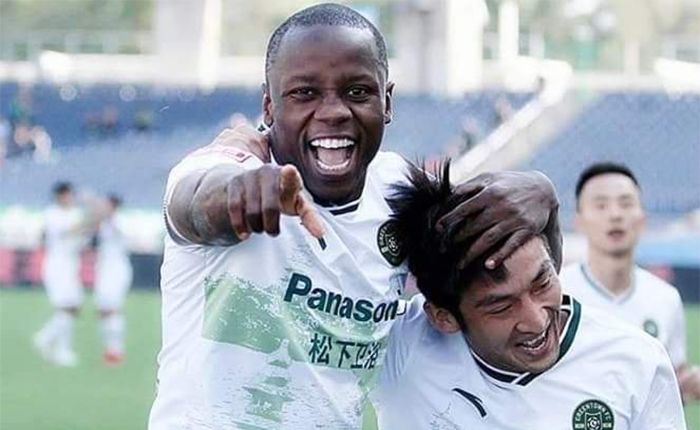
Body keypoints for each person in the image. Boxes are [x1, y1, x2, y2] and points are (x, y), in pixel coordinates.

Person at [148, 4, 561, 430]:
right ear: (269, 107)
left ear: (387, 102)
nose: (333, 112)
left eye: (357, 92)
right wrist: (240, 193)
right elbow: (191, 204)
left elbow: (506, 262)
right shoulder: (233, 167)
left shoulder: (401, 192)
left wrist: (542, 194)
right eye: (304, 93)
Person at [374, 163, 686, 429]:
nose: (536, 320)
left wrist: (542, 187)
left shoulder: (637, 362)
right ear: (444, 317)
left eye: (542, 282)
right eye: (501, 305)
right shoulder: (399, 345)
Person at [560, 162, 700, 403]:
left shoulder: (666, 298)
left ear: (642, 218)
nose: (615, 215)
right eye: (600, 205)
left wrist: (689, 386)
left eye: (625, 203)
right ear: (578, 221)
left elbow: (670, 388)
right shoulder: (558, 294)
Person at [33, 182, 91, 366]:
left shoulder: (75, 213)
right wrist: (92, 215)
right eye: (66, 195)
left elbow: (83, 237)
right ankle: (59, 348)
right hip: (57, 265)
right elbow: (69, 231)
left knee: (73, 307)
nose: (69, 198)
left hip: (71, 265)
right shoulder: (52, 214)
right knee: (66, 307)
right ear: (59, 196)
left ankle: (48, 340)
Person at [94, 194, 133, 365]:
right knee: (103, 310)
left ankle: (117, 350)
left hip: (117, 270)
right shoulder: (102, 223)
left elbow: (122, 235)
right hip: (103, 269)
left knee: (113, 309)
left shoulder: (120, 220)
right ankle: (109, 349)